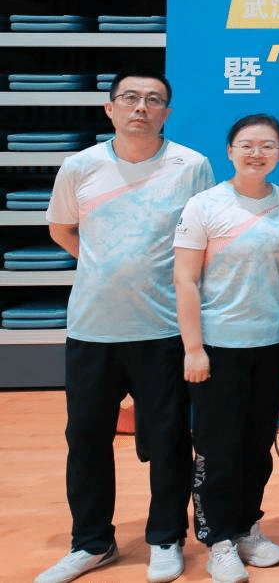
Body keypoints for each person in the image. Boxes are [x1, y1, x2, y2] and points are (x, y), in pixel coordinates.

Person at [39, 71, 214, 583]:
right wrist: (104, 266)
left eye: (153, 100)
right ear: (110, 108)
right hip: (92, 328)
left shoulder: (191, 166)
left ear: (167, 112)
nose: (141, 107)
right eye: (130, 98)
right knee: (87, 439)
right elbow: (61, 228)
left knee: (167, 440)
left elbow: (205, 237)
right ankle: (91, 542)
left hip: (163, 329)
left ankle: (166, 537)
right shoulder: (79, 166)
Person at [173, 114, 279, 583]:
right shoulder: (204, 205)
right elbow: (185, 279)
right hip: (218, 347)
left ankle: (246, 527)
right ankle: (218, 539)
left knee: (257, 446)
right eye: (247, 144)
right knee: (217, 449)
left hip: (271, 343)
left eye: (267, 145)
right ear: (229, 150)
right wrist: (193, 348)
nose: (256, 153)